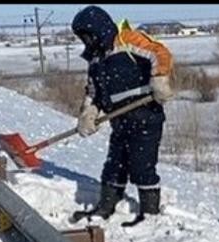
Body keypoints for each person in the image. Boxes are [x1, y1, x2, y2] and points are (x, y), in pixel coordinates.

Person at [70, 5, 174, 227]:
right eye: (82, 37)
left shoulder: (127, 40)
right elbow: (93, 90)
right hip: (119, 119)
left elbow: (159, 53)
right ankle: (106, 206)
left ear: (99, 29)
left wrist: (159, 79)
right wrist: (88, 112)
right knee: (114, 165)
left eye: (87, 35)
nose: (86, 41)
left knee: (142, 165)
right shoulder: (95, 59)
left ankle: (149, 213)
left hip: (146, 114)